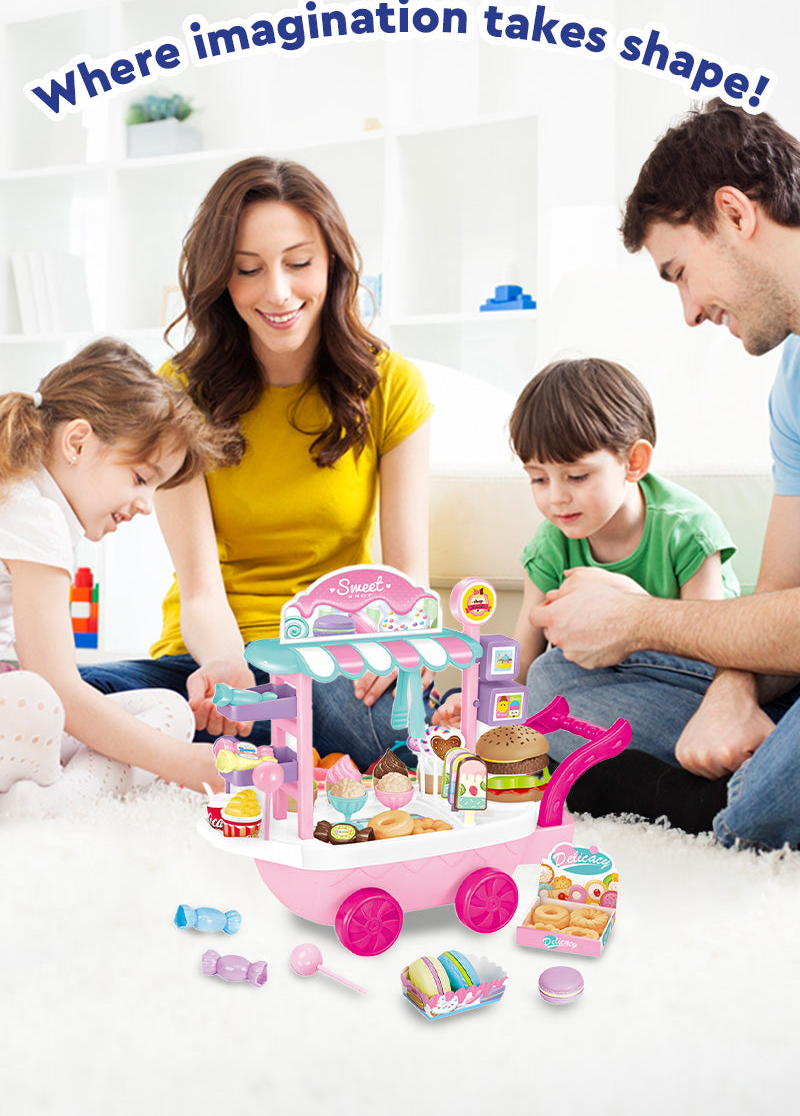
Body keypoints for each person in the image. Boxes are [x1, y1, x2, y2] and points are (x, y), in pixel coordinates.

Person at [79, 157, 433, 771]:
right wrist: (225, 669)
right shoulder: (181, 393)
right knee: (65, 692)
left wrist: (396, 645)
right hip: (210, 659)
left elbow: (407, 584)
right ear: (221, 279)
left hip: (334, 660)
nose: (277, 292)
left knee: (376, 723)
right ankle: (204, 740)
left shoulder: (390, 384)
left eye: (299, 263)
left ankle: (167, 750)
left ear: (333, 264)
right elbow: (199, 590)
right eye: (248, 270)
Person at [531, 99, 800, 850]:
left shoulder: (682, 525)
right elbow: (780, 591)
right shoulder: (793, 383)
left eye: (681, 272)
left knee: (765, 803)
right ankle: (744, 768)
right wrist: (732, 691)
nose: (688, 312)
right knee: (557, 688)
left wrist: (641, 620)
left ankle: (722, 803)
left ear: (735, 213)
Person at [435, 357, 738, 734]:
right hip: (606, 690)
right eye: (538, 479)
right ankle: (624, 759)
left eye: (576, 476)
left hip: (690, 689)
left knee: (553, 681)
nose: (557, 498)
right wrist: (477, 698)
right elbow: (522, 664)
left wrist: (633, 606)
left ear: (634, 461)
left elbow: (710, 651)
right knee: (549, 678)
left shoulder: (688, 529)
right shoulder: (551, 543)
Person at [0, 338, 227, 815]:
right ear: (77, 441)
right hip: (20, 704)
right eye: (142, 479)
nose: (146, 504)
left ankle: (44, 798)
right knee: (39, 701)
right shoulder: (32, 513)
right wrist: (184, 764)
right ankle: (42, 797)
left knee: (168, 710)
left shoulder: (41, 507)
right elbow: (56, 684)